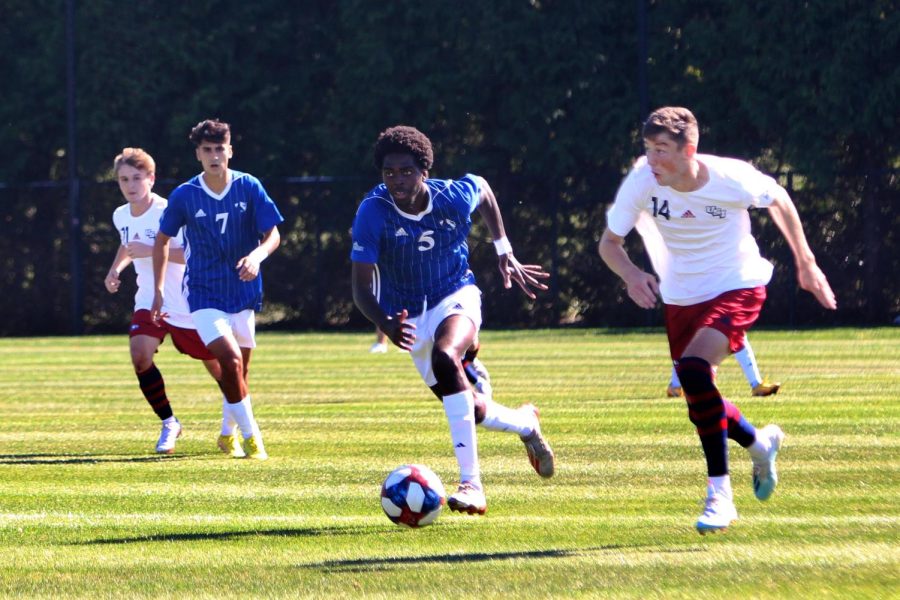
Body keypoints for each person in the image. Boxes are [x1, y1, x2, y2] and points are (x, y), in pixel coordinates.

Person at [599, 107, 836, 534]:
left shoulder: (731, 177)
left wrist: (806, 263)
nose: (653, 161)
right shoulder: (642, 181)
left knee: (693, 370)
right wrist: (632, 275)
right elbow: (610, 243)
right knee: (699, 402)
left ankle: (719, 497)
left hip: (737, 284)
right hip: (681, 298)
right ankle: (760, 444)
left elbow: (778, 198)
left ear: (690, 150)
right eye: (648, 150)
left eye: (662, 151)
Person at [351, 125, 555, 515]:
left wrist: (503, 248)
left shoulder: (451, 196)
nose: (397, 180)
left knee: (447, 355)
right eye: (389, 172)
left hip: (457, 294)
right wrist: (386, 323)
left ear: (424, 170)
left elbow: (483, 188)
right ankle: (526, 423)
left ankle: (472, 485)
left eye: (406, 171)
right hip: (412, 317)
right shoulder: (371, 212)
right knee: (474, 411)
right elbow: (360, 288)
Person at [151, 119, 284, 461]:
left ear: (230, 150)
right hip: (203, 292)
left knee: (240, 372)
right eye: (207, 150)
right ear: (198, 154)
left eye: (219, 149)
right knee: (230, 359)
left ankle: (227, 434)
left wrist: (256, 256)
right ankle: (254, 439)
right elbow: (162, 240)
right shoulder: (185, 195)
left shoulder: (249, 186)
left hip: (243, 290)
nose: (214, 155)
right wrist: (158, 291)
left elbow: (273, 235)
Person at [105, 147, 224, 454]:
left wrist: (152, 250)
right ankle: (169, 423)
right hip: (148, 299)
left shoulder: (169, 211)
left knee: (218, 366)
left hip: (185, 302)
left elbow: (191, 254)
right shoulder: (120, 214)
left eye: (136, 178)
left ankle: (237, 414)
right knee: (140, 356)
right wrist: (115, 269)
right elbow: (127, 246)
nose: (130, 185)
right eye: (123, 179)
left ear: (151, 178)